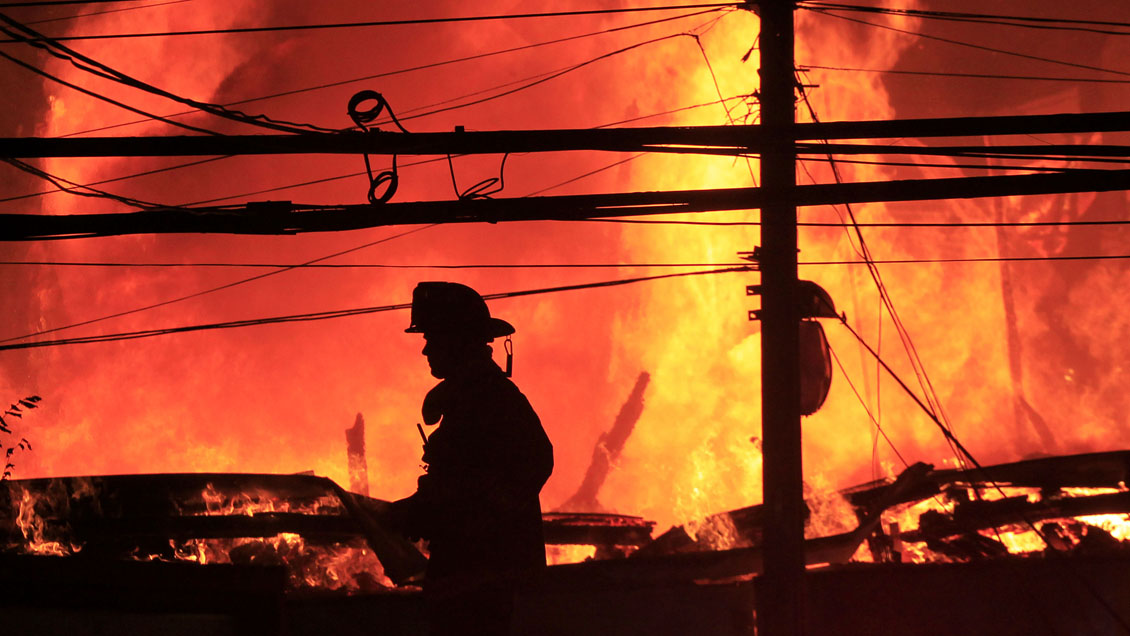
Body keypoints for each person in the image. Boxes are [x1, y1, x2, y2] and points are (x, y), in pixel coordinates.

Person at [389, 281, 553, 636]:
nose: (426, 350)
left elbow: (534, 462)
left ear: (457, 341)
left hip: (482, 581)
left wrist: (471, 515)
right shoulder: (468, 400)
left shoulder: (493, 400)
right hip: (466, 576)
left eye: (432, 338)